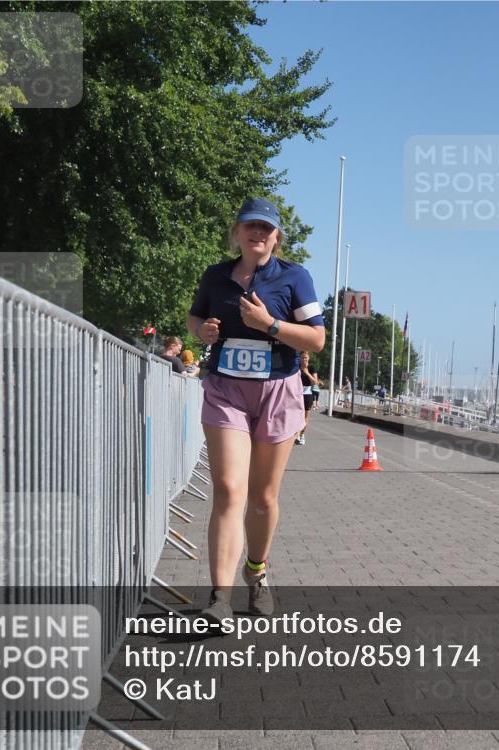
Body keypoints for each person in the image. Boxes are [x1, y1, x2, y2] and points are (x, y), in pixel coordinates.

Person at [187, 197, 325, 623]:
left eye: (266, 228)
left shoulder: (294, 277)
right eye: (251, 226)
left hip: (277, 390)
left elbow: (317, 340)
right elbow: (194, 320)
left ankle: (257, 571)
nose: (258, 234)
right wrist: (205, 331)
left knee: (263, 497)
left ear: (277, 237)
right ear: (237, 232)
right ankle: (219, 598)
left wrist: (271, 326)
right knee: (229, 489)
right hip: (226, 389)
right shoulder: (216, 276)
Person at [296, 352, 319, 445]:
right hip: (297, 393)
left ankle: (302, 435)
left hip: (307, 393)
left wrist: (307, 373)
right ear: (300, 358)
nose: (304, 359)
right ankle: (296, 433)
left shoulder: (311, 368)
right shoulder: (296, 367)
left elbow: (315, 382)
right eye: (302, 357)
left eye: (306, 357)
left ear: (309, 358)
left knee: (306, 416)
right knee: (296, 414)